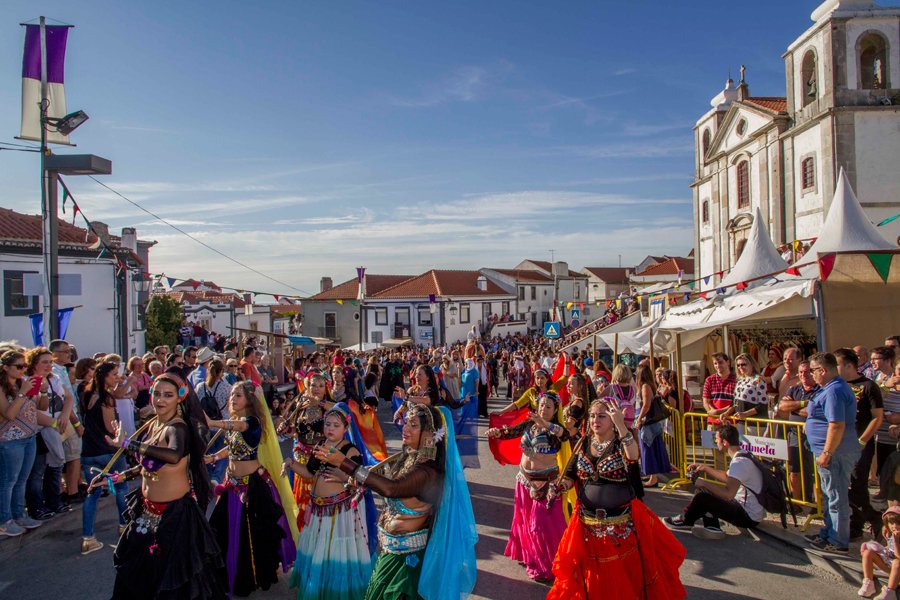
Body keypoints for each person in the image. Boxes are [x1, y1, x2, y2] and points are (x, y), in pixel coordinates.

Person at [315, 403, 478, 600]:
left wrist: (344, 463)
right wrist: (358, 482)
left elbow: (391, 489)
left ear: (429, 433)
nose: (405, 429)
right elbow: (383, 480)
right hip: (390, 554)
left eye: (413, 425)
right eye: (406, 423)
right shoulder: (408, 457)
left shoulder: (428, 472)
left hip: (406, 565)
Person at [546, 400, 686, 599]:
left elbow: (633, 456)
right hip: (587, 524)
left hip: (619, 527)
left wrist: (621, 426)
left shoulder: (621, 443)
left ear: (612, 419)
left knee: (620, 579)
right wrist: (560, 486)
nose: (596, 420)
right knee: (592, 576)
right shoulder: (584, 442)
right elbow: (570, 475)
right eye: (593, 416)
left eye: (602, 416)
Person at [105, 373, 227, 599]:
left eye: (168, 395)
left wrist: (128, 444)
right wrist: (121, 476)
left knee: (173, 582)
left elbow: (173, 455)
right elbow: (152, 464)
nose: (160, 400)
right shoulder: (154, 424)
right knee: (138, 576)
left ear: (180, 398)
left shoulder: (177, 428)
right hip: (146, 511)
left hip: (175, 517)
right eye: (157, 394)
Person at [206, 381, 295, 596]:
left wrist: (213, 423)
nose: (233, 399)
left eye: (238, 396)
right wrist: (214, 456)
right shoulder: (236, 422)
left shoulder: (252, 422)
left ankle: (250, 576)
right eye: (232, 396)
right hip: (232, 484)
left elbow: (239, 427)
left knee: (252, 535)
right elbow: (233, 447)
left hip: (252, 485)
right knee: (221, 528)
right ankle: (226, 573)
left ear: (249, 399)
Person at [284, 403, 373, 599]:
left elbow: (360, 479)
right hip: (318, 509)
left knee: (336, 552)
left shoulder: (350, 451)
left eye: (335, 425)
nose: (330, 429)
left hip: (339, 512)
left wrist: (343, 478)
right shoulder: (320, 446)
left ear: (345, 428)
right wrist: (290, 463)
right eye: (327, 425)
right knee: (319, 551)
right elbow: (308, 471)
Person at [486, 393, 567, 582]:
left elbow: (564, 436)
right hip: (524, 480)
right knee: (523, 520)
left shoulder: (555, 430)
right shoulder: (530, 424)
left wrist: (545, 424)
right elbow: (511, 432)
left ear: (555, 411)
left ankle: (546, 564)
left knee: (540, 526)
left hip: (544, 484)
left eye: (548, 407)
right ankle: (528, 554)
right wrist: (498, 432)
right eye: (541, 405)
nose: (543, 409)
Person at [664, 424, 765, 539]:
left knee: (703, 496)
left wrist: (704, 482)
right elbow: (728, 477)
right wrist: (705, 468)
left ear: (725, 442)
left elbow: (728, 494)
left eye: (716, 439)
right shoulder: (743, 455)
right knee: (705, 491)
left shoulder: (739, 463)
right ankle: (712, 527)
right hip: (746, 509)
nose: (716, 442)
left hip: (747, 516)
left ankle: (686, 520)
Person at [804, 352, 862, 554]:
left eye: (813, 371)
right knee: (829, 496)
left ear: (823, 370)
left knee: (836, 496)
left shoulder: (834, 391)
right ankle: (829, 533)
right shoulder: (828, 389)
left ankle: (838, 540)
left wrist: (827, 452)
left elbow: (836, 425)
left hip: (835, 453)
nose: (811, 375)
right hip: (828, 451)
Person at [78, 362, 130, 555]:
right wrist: (124, 439)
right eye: (114, 374)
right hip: (107, 451)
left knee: (92, 494)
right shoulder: (105, 399)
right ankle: (124, 526)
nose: (117, 377)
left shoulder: (86, 395)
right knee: (122, 488)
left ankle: (88, 537)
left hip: (89, 451)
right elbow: (111, 428)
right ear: (104, 377)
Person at [834, 348, 885, 541]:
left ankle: (872, 518)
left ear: (848, 365)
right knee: (846, 486)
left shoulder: (868, 386)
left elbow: (877, 418)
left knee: (857, 485)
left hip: (860, 445)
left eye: (837, 364)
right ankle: (858, 524)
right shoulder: (837, 386)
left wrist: (862, 441)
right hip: (840, 444)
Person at [25, 346, 74, 520]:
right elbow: (31, 410)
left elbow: (68, 397)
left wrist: (65, 417)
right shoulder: (28, 380)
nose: (48, 366)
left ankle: (53, 500)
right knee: (37, 471)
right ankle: (36, 506)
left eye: (50, 362)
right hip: (38, 430)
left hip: (55, 428)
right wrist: (53, 422)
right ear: (33, 364)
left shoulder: (55, 378)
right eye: (44, 362)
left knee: (57, 464)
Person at [0, 350, 46, 537]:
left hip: (29, 437)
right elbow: (9, 414)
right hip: (10, 441)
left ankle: (19, 515)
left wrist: (40, 392)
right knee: (8, 482)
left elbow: (40, 408)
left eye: (24, 366)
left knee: (21, 480)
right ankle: (4, 520)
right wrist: (22, 393)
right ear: (5, 368)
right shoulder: (3, 388)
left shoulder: (22, 384)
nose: (23, 370)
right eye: (19, 366)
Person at [776, 361, 819, 502]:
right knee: (794, 469)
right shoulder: (794, 389)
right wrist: (804, 403)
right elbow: (782, 406)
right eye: (800, 372)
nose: (803, 375)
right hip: (794, 433)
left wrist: (793, 407)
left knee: (814, 471)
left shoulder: (820, 389)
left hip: (813, 435)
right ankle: (796, 502)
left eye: (806, 372)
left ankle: (817, 504)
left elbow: (814, 411)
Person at [634, 364, 671, 488]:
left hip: (648, 421)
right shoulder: (651, 385)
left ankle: (653, 477)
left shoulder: (645, 386)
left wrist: (639, 419)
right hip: (651, 421)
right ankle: (651, 475)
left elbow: (646, 405)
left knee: (648, 447)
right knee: (650, 447)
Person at [196, 359, 231, 484]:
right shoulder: (225, 387)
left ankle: (209, 475)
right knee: (223, 452)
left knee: (208, 452)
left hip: (205, 425)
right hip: (222, 423)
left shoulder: (200, 387)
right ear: (221, 371)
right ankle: (216, 477)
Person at [858, 506, 900, 599]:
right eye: (891, 523)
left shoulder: (897, 536)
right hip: (889, 565)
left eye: (898, 523)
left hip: (897, 568)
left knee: (897, 563)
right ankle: (869, 583)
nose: (894, 526)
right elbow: (890, 548)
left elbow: (898, 556)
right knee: (867, 553)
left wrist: (896, 541)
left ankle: (890, 592)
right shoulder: (890, 532)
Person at [724, 354, 768, 430]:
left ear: (751, 364)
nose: (740, 367)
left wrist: (745, 414)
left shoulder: (759, 380)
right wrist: (726, 413)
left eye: (743, 364)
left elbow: (763, 405)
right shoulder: (740, 381)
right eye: (738, 365)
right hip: (740, 422)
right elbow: (735, 403)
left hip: (754, 424)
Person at [702, 353, 736, 429]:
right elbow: (705, 401)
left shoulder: (736, 380)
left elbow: (736, 403)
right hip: (713, 422)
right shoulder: (709, 380)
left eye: (720, 362)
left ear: (728, 362)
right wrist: (712, 412)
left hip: (731, 422)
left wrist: (718, 412)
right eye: (715, 363)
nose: (718, 366)